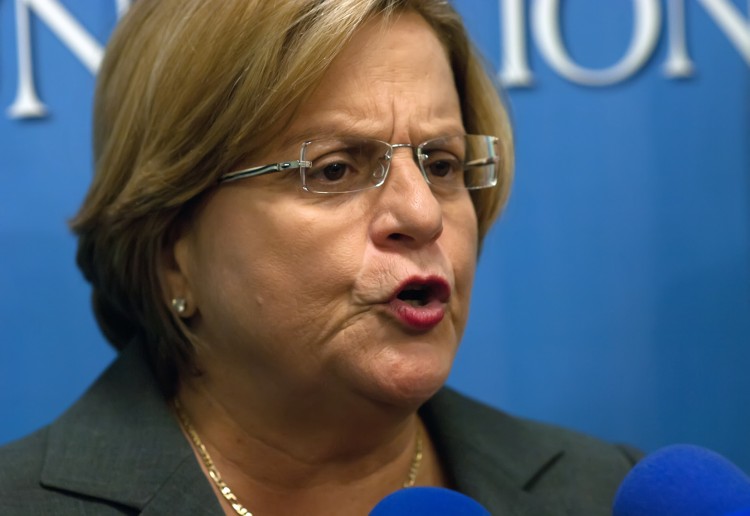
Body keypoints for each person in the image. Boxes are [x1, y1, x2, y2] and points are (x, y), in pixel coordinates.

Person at [0, 0, 641, 514]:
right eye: (334, 169)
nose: (421, 214)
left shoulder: (608, 493)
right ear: (174, 253)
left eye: (442, 164)